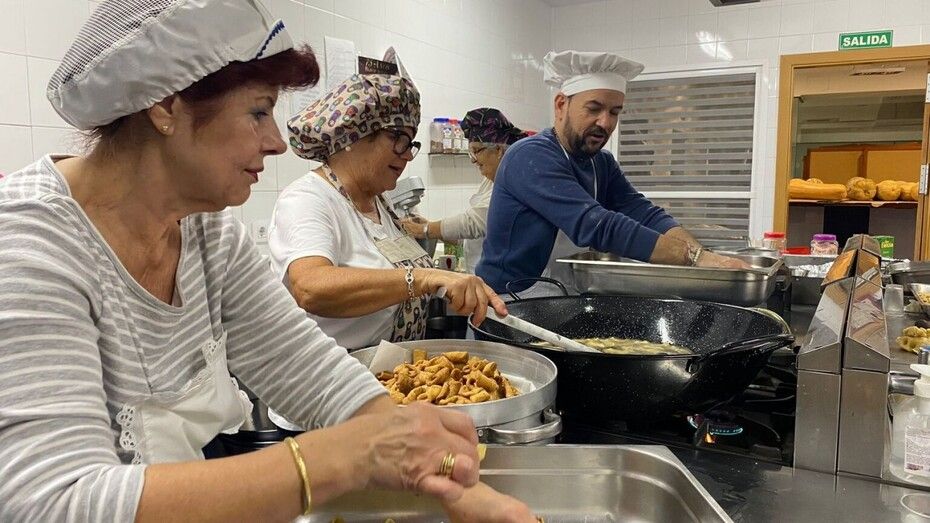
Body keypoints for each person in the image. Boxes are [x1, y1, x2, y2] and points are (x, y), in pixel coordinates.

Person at [0, 2, 533, 521]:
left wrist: (447, 478)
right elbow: (51, 501)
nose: (278, 142)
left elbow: (306, 368)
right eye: (258, 111)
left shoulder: (206, 232)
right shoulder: (29, 242)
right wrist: (342, 458)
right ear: (165, 106)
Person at [269, 72, 508, 353]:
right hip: (333, 371)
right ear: (352, 135)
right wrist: (423, 278)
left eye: (410, 143)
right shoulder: (308, 198)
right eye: (398, 138)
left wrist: (449, 285)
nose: (406, 154)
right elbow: (311, 287)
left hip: (388, 367)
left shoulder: (381, 205)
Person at [476, 50, 748, 297]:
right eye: (594, 109)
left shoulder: (600, 162)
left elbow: (643, 213)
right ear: (561, 105)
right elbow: (596, 224)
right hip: (509, 302)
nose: (605, 123)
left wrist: (705, 257)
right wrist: (696, 259)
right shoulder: (529, 156)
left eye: (615, 112)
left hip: (563, 295)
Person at [400, 108, 528, 274]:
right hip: (487, 275)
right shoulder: (491, 180)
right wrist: (432, 228)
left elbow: (475, 222)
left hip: (515, 279)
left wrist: (427, 229)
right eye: (470, 152)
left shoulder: (516, 179)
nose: (473, 160)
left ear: (498, 150)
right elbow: (477, 234)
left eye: (476, 151)